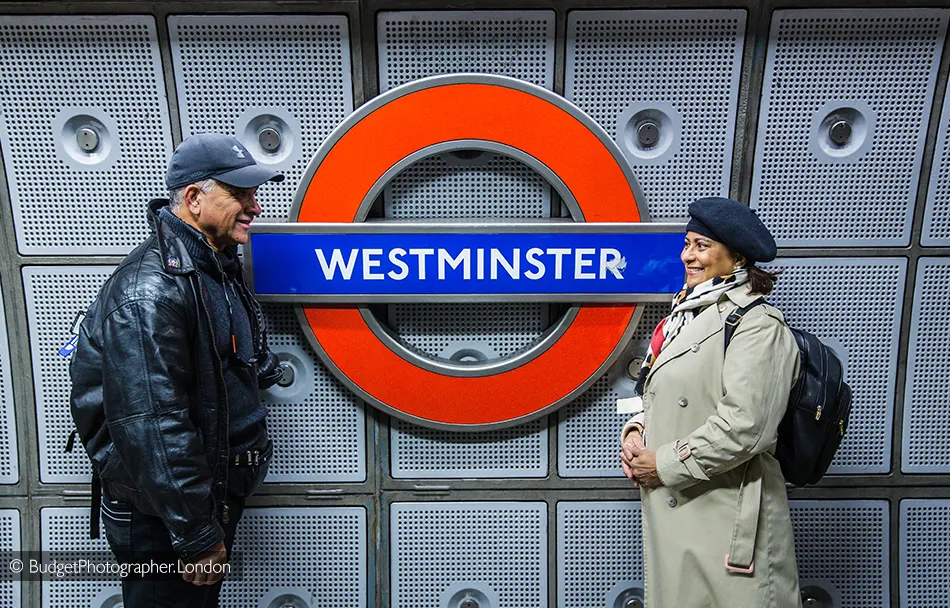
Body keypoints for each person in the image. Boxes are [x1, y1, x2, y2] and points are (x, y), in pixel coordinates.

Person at [69, 132, 284, 607]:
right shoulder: (151, 292)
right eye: (240, 194)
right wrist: (197, 534)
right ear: (193, 198)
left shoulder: (213, 266)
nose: (255, 205)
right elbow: (152, 424)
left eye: (254, 193)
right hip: (162, 513)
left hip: (196, 500)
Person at [620, 196, 802, 608]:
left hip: (727, 519)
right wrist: (636, 431)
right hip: (681, 513)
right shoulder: (681, 318)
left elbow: (746, 428)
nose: (688, 255)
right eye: (687, 244)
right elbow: (657, 389)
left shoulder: (757, 325)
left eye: (702, 246)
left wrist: (662, 465)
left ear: (736, 257)